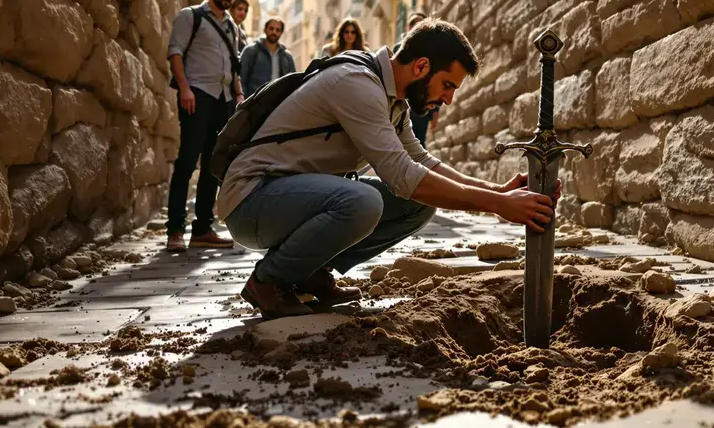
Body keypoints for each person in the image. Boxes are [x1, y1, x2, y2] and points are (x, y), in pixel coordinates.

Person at [217, 19, 560, 318]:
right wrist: (498, 206)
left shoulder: (394, 99)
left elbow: (422, 162)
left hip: (289, 198)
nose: (448, 99)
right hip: (252, 200)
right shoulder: (356, 83)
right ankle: (268, 281)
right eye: (447, 85)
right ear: (422, 67)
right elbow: (402, 176)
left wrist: (497, 192)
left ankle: (309, 272)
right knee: (363, 202)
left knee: (419, 205)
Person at [165, 0, 244, 251]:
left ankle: (202, 230)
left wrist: (239, 96)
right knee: (187, 161)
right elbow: (175, 52)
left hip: (224, 100)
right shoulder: (191, 16)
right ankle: (175, 230)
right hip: (196, 95)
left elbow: (234, 66)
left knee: (213, 166)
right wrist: (184, 88)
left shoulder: (232, 27)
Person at [404, 12, 439, 147]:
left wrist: (435, 111)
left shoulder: (432, 52)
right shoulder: (399, 49)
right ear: (408, 27)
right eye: (413, 23)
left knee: (418, 142)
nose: (415, 26)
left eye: (419, 23)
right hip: (402, 103)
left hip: (421, 103)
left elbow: (435, 80)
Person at [239, 18, 296, 97]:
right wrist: (244, 99)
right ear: (265, 30)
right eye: (271, 28)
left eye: (278, 30)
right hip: (255, 100)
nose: (274, 32)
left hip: (279, 101)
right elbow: (241, 78)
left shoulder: (287, 57)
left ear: (281, 33)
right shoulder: (251, 51)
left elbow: (293, 83)